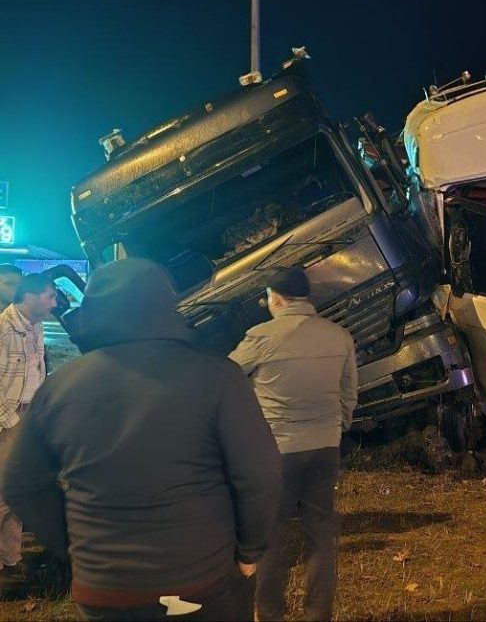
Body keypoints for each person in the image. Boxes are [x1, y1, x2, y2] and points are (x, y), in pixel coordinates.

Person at [0, 258, 281, 621]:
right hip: (200, 582)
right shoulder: (218, 377)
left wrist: (75, 545)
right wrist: (249, 551)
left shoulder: (60, 387)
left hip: (103, 589)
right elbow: (261, 475)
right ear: (168, 307)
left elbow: (21, 482)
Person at [229, 267, 357, 622]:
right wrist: (336, 428)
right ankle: (318, 614)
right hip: (325, 447)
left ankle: (268, 613)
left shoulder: (262, 336)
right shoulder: (339, 336)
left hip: (277, 450)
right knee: (321, 534)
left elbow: (226, 377)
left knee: (269, 535)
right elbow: (349, 393)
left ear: (276, 298)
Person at [0, 274, 56, 575]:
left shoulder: (35, 325)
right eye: (50, 296)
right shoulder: (3, 328)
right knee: (5, 492)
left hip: (27, 415)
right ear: (30, 296)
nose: (54, 303)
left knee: (15, 493)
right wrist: (11, 422)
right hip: (9, 419)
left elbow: (37, 370)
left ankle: (11, 559)